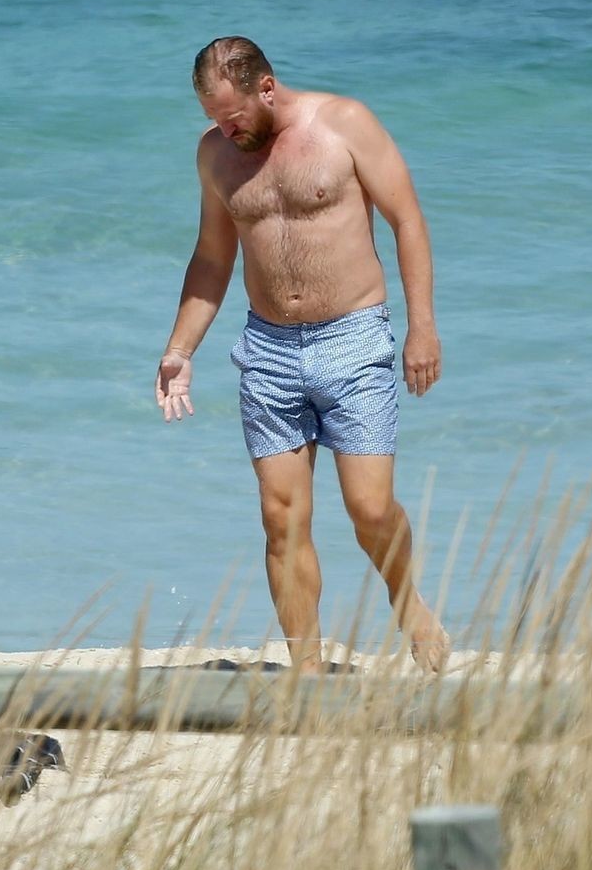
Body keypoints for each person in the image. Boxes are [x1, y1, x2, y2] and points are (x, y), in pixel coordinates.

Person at [156, 38, 449, 673]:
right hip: (268, 349)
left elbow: (407, 221)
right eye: (212, 118)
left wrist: (422, 328)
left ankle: (406, 599)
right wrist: (180, 348)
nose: (225, 130)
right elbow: (212, 256)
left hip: (354, 339)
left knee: (370, 509)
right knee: (280, 518)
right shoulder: (216, 155)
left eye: (232, 115)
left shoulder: (345, 124)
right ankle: (306, 672)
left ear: (266, 88)